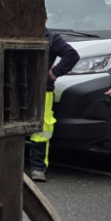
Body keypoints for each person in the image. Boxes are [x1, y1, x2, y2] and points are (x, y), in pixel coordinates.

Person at [29, 28, 80, 181]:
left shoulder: (51, 37)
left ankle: (37, 168)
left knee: (42, 129)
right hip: (19, 88)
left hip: (42, 89)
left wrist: (53, 73)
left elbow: (72, 55)